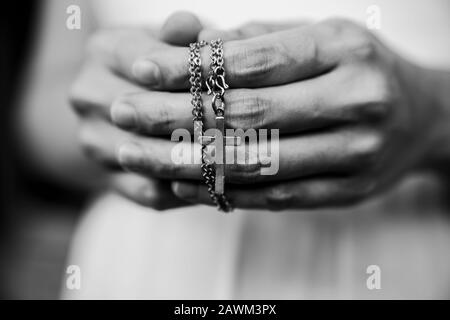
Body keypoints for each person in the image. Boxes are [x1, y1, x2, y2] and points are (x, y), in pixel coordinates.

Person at [20, 0, 450, 299]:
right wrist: (125, 112)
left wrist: (433, 114)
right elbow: (42, 119)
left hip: (398, 258)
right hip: (141, 268)